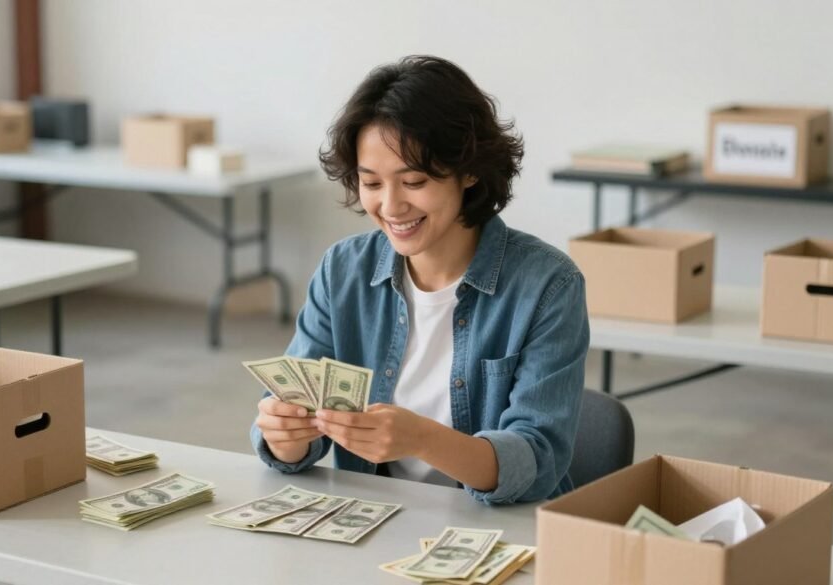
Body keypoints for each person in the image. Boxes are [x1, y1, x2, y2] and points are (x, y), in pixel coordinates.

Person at [250, 55, 589, 504]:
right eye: (371, 184)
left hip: (500, 530)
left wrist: (423, 439)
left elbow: (537, 458)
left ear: (468, 171)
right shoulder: (342, 272)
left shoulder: (548, 286)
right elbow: (296, 432)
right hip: (376, 519)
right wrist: (285, 436)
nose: (391, 206)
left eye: (413, 181)